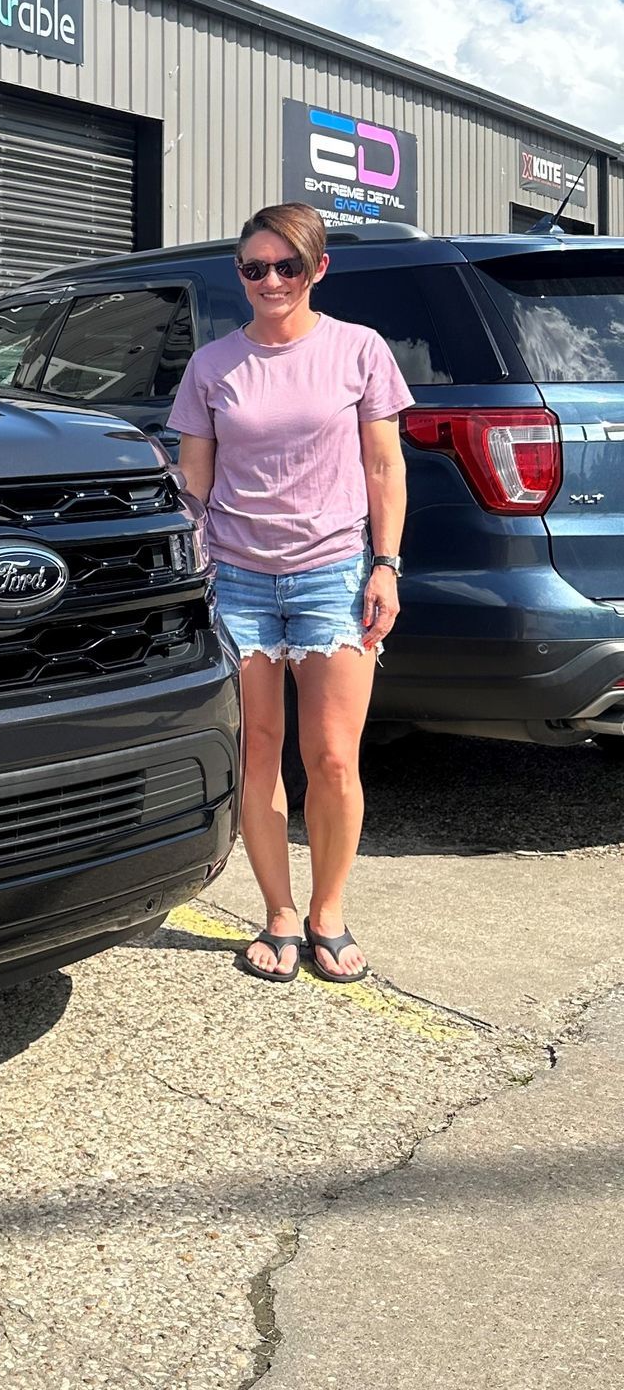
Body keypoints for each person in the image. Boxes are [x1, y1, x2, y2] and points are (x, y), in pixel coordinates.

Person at [167, 202, 413, 985]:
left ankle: (327, 913)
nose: (271, 281)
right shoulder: (212, 366)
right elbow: (195, 480)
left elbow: (384, 467)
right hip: (234, 579)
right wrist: (185, 565)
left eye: (287, 267)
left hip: (335, 576)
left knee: (334, 758)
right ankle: (277, 913)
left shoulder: (358, 351)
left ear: (317, 270)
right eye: (254, 268)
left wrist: (387, 565)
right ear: (239, 274)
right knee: (258, 752)